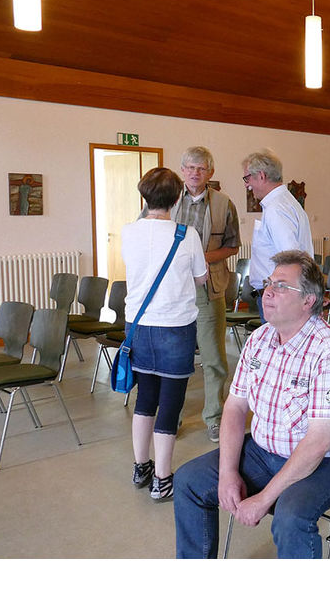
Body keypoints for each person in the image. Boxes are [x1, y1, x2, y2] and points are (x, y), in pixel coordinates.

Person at [174, 250, 330, 559]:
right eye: (268, 283)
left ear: (308, 300)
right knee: (189, 481)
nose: (267, 291)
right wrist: (227, 474)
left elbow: (317, 443)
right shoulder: (260, 338)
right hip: (265, 451)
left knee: (290, 517)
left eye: (281, 286)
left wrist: (264, 498)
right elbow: (236, 408)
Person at [141, 146, 240, 444]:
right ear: (182, 170)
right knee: (175, 359)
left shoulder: (224, 204)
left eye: (201, 168)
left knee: (213, 358)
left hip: (209, 290)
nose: (195, 173)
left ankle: (213, 417)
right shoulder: (167, 201)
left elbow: (233, 246)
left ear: (210, 172)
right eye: (190, 168)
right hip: (173, 291)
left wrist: (200, 258)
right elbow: (147, 235)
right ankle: (174, 416)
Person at [122, 167, 208, 502]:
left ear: (143, 196)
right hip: (176, 326)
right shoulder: (187, 235)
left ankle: (140, 466)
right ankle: (162, 478)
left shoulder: (129, 232)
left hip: (138, 326)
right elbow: (201, 279)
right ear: (176, 198)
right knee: (170, 403)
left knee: (145, 398)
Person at [243, 148, 314, 322]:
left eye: (247, 178)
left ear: (261, 176)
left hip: (280, 297)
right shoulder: (284, 202)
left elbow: (290, 257)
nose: (246, 184)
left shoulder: (276, 208)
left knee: (282, 348)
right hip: (283, 295)